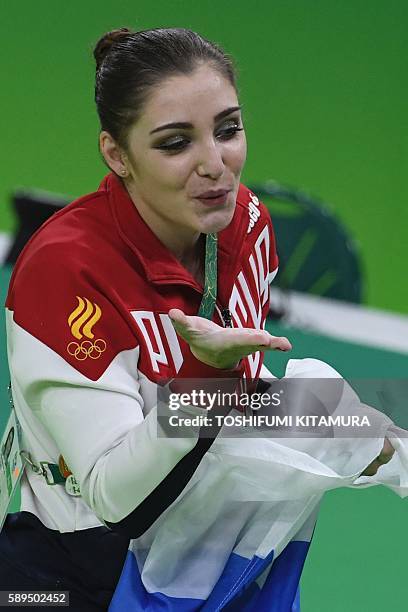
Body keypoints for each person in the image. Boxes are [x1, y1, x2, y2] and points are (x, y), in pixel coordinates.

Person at [1, 27, 406, 612]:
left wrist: (375, 441)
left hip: (217, 554)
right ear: (118, 155)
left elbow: (252, 409)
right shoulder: (66, 272)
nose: (215, 165)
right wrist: (207, 379)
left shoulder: (245, 223)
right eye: (175, 143)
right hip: (76, 571)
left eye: (228, 130)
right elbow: (115, 497)